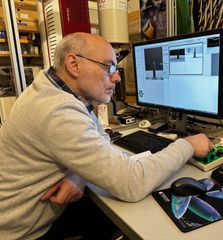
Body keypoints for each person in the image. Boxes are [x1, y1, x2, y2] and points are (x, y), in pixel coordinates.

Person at [0, 32, 212, 239]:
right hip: (22, 233)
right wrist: (188, 145)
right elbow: (131, 183)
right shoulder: (58, 110)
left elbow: (100, 138)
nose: (117, 77)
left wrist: (78, 174)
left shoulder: (55, 90)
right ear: (74, 64)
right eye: (109, 67)